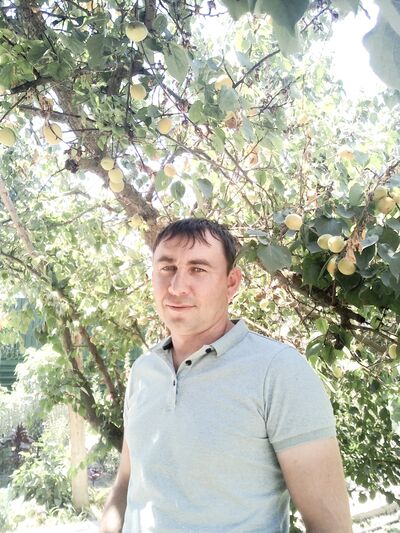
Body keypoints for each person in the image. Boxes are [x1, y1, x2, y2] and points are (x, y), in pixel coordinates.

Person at [100, 218, 352, 533]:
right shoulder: (144, 371)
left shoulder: (278, 371)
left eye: (198, 269)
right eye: (166, 268)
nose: (177, 286)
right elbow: (126, 483)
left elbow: (329, 524)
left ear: (231, 283)